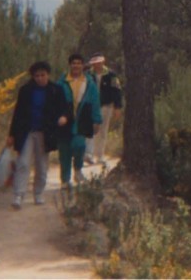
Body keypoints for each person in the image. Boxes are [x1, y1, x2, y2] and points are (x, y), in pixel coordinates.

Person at [7, 61, 68, 209]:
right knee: (23, 163)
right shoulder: (25, 91)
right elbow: (18, 113)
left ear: (48, 75)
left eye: (43, 75)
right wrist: (12, 134)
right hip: (27, 131)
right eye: (37, 76)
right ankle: (18, 195)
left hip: (45, 133)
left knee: (41, 165)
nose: (40, 78)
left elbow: (65, 108)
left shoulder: (56, 90)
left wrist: (64, 117)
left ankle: (38, 192)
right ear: (33, 76)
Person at [57, 53, 102, 188]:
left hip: (82, 120)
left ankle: (78, 170)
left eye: (79, 63)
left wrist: (97, 120)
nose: (76, 65)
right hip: (65, 121)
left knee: (79, 146)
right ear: (69, 65)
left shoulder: (89, 83)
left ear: (83, 65)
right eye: (73, 63)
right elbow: (55, 103)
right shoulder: (61, 83)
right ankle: (65, 180)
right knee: (64, 150)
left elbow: (95, 102)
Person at [84, 53, 122, 165]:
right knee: (90, 130)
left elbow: (117, 91)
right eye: (95, 63)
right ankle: (88, 155)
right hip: (91, 106)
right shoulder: (88, 75)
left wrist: (117, 107)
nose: (97, 64)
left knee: (103, 131)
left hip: (106, 106)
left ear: (103, 62)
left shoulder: (111, 75)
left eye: (99, 62)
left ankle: (100, 155)